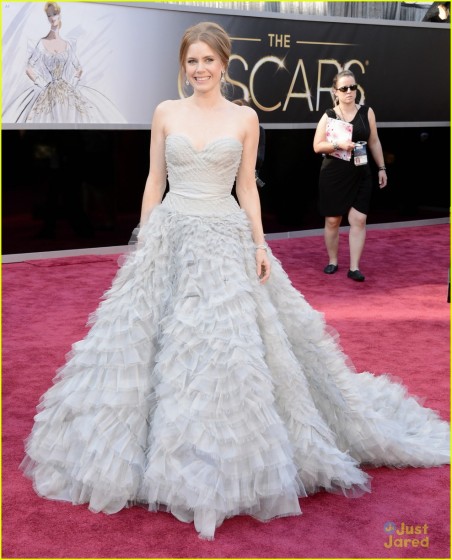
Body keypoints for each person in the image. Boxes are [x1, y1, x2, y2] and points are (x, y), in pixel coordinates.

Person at [21, 22, 449, 541]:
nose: (199, 69)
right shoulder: (165, 112)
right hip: (172, 234)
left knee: (229, 346)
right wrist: (145, 238)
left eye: (207, 60)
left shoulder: (246, 117)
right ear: (184, 65)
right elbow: (155, 180)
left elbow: (247, 187)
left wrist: (260, 244)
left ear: (225, 64)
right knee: (151, 343)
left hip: (226, 238)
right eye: (191, 61)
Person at [313, 70, 388, 281]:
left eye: (353, 87)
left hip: (361, 171)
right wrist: (339, 144)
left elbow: (374, 141)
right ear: (335, 92)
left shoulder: (367, 112)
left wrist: (381, 168)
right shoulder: (329, 115)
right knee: (332, 220)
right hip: (334, 174)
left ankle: (354, 267)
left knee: (359, 219)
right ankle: (332, 261)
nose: (349, 92)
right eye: (344, 88)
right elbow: (317, 146)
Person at [2, 2, 125, 124]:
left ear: (59, 15)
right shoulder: (41, 43)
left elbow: (79, 68)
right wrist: (42, 83)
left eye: (54, 14)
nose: (52, 18)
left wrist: (72, 82)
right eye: (49, 15)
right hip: (48, 89)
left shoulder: (67, 45)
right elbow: (29, 68)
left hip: (67, 88)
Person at [232, 98, 266, 187]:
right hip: (226, 180)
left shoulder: (258, 130)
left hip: (248, 180)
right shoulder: (225, 131)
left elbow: (259, 160)